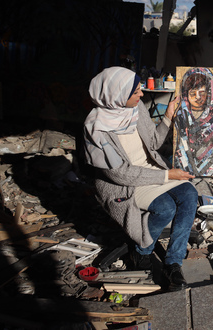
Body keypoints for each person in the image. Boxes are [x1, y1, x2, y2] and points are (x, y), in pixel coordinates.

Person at [83, 66, 197, 291]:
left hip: (150, 170)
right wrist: (166, 175)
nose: (142, 95)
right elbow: (119, 174)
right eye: (136, 92)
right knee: (165, 208)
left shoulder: (136, 110)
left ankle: (173, 262)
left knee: (189, 194)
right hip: (123, 184)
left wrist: (167, 117)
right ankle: (141, 251)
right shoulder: (96, 128)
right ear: (117, 95)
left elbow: (153, 144)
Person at [174, 68, 213, 176]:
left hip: (208, 160)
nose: (198, 98)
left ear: (209, 93)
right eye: (192, 94)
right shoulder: (182, 115)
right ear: (186, 95)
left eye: (202, 93)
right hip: (184, 160)